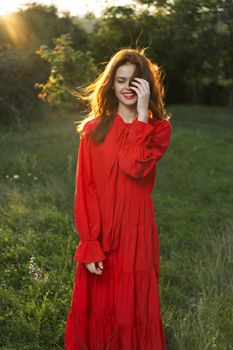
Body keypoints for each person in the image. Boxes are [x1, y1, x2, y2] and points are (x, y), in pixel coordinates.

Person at [64, 47, 172, 350]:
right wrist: (90, 241)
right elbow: (85, 188)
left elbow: (133, 166)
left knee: (133, 305)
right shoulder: (94, 130)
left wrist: (140, 116)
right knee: (101, 304)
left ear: (146, 86)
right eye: (122, 80)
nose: (127, 88)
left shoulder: (158, 129)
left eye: (136, 81)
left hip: (137, 233)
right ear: (111, 84)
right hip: (102, 231)